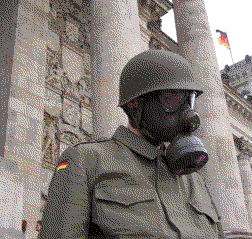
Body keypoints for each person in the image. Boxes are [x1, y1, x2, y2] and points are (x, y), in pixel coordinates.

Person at [38, 50, 225, 238]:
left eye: (188, 99)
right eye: (171, 96)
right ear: (134, 101)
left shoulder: (193, 179)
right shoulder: (87, 161)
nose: (187, 112)